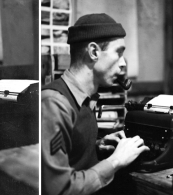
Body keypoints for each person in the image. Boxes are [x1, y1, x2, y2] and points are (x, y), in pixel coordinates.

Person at [41, 13, 150, 195]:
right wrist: (115, 161)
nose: (123, 64)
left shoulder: (85, 99)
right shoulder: (54, 104)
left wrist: (95, 146)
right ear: (93, 52)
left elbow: (71, 156)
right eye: (119, 52)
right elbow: (59, 189)